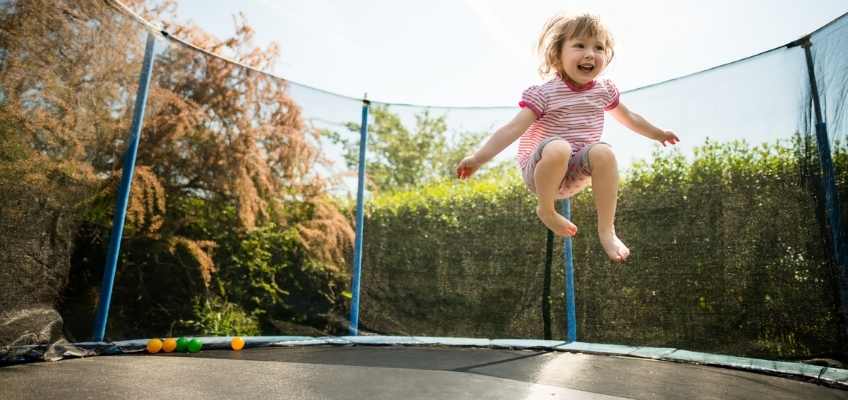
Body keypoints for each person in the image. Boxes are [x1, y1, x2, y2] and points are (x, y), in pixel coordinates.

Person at [456, 13, 679, 263]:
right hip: (540, 172)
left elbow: (630, 118)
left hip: (575, 173)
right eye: (580, 45)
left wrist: (657, 133)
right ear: (557, 55)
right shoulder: (545, 94)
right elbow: (511, 129)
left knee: (604, 152)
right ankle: (546, 209)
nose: (590, 54)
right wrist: (478, 159)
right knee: (559, 147)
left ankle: (607, 230)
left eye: (599, 47)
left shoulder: (603, 91)